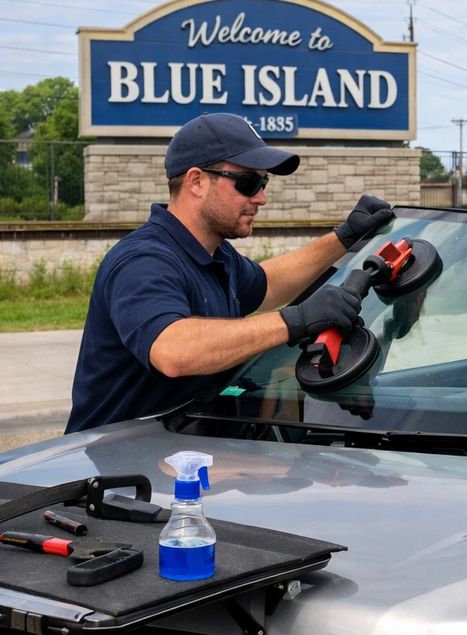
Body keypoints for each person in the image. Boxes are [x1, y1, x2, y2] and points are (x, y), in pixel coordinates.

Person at [67, 112, 396, 433]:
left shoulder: (216, 254)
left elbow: (269, 284)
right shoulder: (143, 260)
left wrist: (344, 237)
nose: (261, 198)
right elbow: (172, 350)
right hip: (118, 458)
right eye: (248, 183)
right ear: (197, 181)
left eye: (263, 183)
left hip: (183, 448)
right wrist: (295, 320)